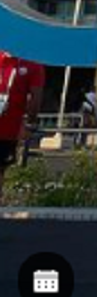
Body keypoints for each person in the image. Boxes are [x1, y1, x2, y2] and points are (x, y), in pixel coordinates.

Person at [0, 50, 44, 193]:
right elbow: (35, 99)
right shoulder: (33, 64)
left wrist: (29, 124)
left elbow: (35, 100)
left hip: (8, 129)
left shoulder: (32, 64)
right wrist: (29, 125)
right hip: (9, 130)